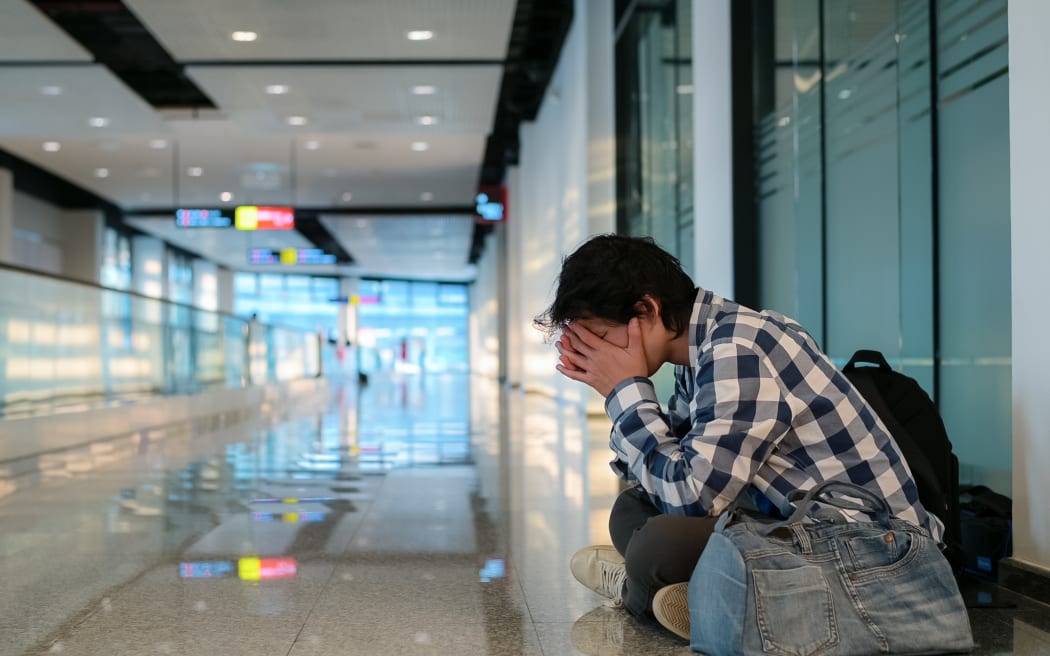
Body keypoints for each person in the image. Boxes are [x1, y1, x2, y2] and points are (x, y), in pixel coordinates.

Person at [534, 234, 941, 641]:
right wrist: (625, 391)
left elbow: (693, 500)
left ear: (646, 309)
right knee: (630, 508)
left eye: (601, 339)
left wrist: (624, 392)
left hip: (875, 550)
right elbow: (661, 473)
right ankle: (688, 594)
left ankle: (649, 591)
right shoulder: (699, 351)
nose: (597, 356)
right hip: (795, 522)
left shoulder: (736, 348)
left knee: (657, 544)